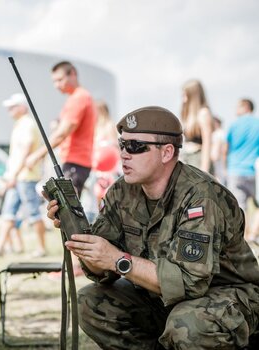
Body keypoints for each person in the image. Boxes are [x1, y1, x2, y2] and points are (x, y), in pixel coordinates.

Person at [46, 106, 259, 349]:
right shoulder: (121, 192)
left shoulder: (201, 197)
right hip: (163, 296)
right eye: (122, 145)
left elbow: (189, 282)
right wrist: (78, 234)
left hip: (228, 296)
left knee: (190, 323)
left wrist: (117, 259)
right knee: (90, 301)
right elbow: (101, 270)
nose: (125, 154)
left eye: (136, 146)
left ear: (167, 152)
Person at [0, 93, 46, 257]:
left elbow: (25, 151)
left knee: (33, 212)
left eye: (12, 107)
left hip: (26, 177)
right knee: (8, 212)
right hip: (18, 176)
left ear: (22, 107)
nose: (9, 110)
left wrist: (13, 175)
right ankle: (0, 246)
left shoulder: (27, 124)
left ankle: (41, 248)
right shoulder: (20, 124)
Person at [26, 61, 97, 197]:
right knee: (64, 211)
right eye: (54, 81)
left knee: (68, 212)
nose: (57, 85)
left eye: (60, 80)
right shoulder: (77, 98)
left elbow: (62, 133)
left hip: (75, 162)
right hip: (75, 162)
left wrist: (37, 155)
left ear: (73, 74)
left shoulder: (79, 97)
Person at [223, 98, 259, 242]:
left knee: (239, 208)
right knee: (256, 206)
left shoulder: (234, 125)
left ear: (246, 107)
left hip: (235, 170)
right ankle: (253, 234)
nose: (235, 110)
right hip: (254, 171)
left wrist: (225, 169)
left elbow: (225, 149)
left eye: (238, 107)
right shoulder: (257, 124)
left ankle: (241, 239)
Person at [180, 79, 213, 173]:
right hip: (188, 158)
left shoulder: (203, 113)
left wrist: (205, 169)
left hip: (198, 159)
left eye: (185, 95)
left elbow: (207, 143)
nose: (183, 99)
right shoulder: (189, 115)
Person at [210, 115, 226, 185]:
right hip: (215, 158)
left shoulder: (220, 133)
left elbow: (220, 146)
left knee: (219, 177)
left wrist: (216, 156)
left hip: (218, 159)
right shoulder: (216, 133)